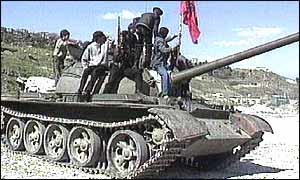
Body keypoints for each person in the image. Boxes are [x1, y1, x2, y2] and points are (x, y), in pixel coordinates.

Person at [77, 31, 108, 99]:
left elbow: (111, 39)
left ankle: (88, 90)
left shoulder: (105, 45)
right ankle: (80, 89)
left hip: (102, 66)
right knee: (86, 71)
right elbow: (84, 58)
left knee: (95, 72)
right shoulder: (91, 47)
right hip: (93, 65)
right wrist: (85, 67)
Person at [151, 27, 179, 98]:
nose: (167, 35)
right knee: (165, 75)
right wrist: (172, 48)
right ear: (164, 34)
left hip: (162, 63)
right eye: (166, 34)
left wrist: (174, 36)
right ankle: (165, 93)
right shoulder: (160, 41)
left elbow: (166, 40)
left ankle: (173, 92)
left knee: (170, 74)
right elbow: (163, 49)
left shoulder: (160, 39)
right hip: (158, 63)